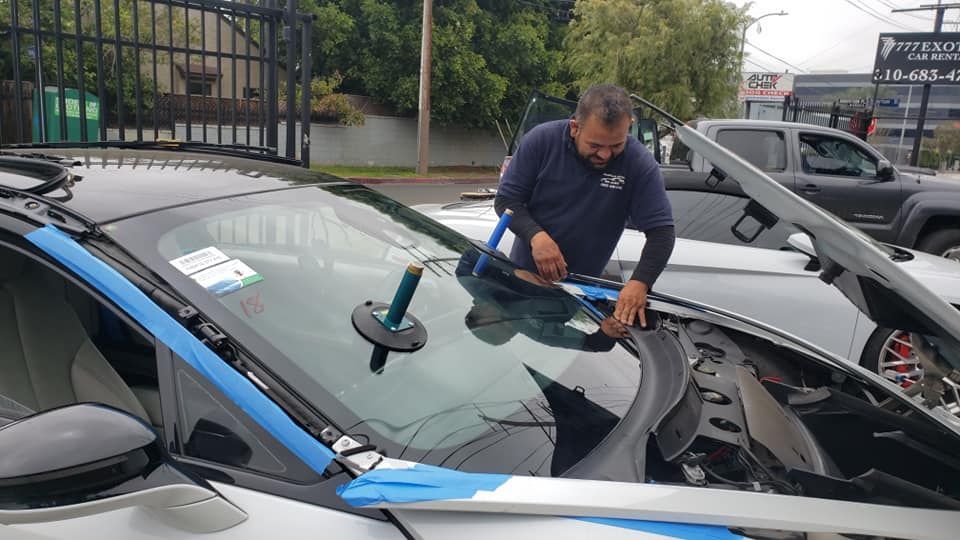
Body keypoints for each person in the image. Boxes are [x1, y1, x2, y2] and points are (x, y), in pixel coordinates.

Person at [495, 84, 675, 328]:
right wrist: (535, 236)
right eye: (595, 145)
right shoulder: (542, 141)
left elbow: (662, 233)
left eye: (616, 146)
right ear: (574, 128)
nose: (605, 155)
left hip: (579, 298)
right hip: (522, 282)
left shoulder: (638, 164)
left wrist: (640, 282)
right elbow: (506, 200)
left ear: (628, 127)